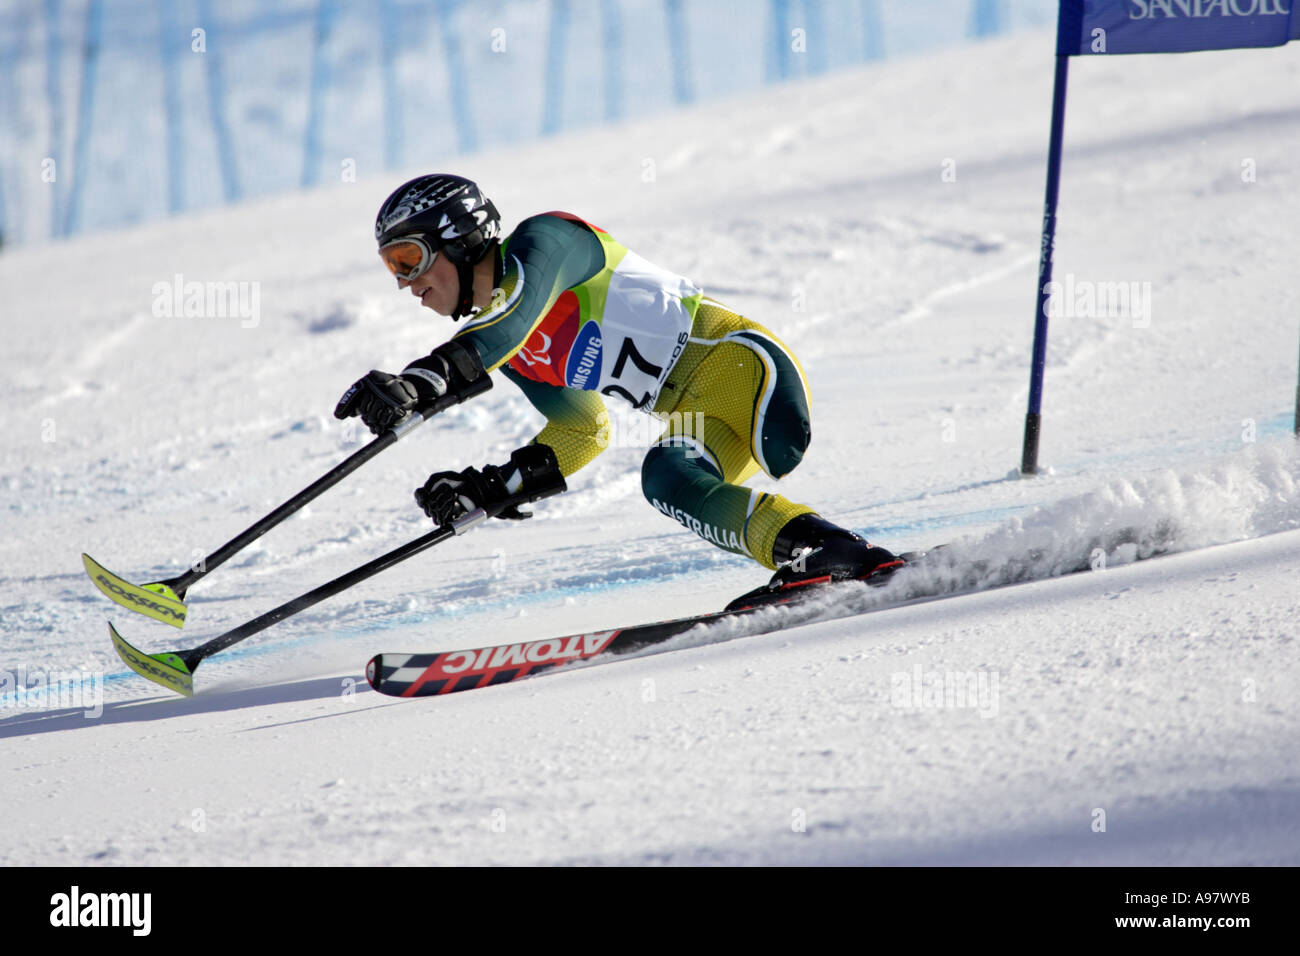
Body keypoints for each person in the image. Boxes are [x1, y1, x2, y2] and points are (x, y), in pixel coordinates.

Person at [335, 174, 902, 607]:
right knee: (667, 478)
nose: (407, 285)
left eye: (409, 259)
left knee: (669, 472)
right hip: (703, 412)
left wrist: (422, 380)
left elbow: (512, 316)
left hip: (747, 372)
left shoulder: (547, 240)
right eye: (393, 268)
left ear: (456, 239)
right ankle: (827, 554)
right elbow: (583, 430)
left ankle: (828, 553)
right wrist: (493, 488)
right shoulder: (510, 349)